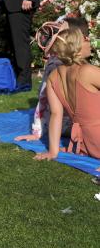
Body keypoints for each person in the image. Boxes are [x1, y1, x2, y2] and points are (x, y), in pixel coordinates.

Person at [33, 24, 100, 161]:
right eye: (86, 39)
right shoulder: (88, 71)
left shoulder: (53, 77)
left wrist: (53, 152)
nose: (89, 41)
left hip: (87, 143)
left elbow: (56, 116)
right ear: (78, 47)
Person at [14, 18, 88, 142]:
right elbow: (44, 98)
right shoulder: (55, 65)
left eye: (60, 31)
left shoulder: (80, 65)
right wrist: (37, 132)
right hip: (68, 127)